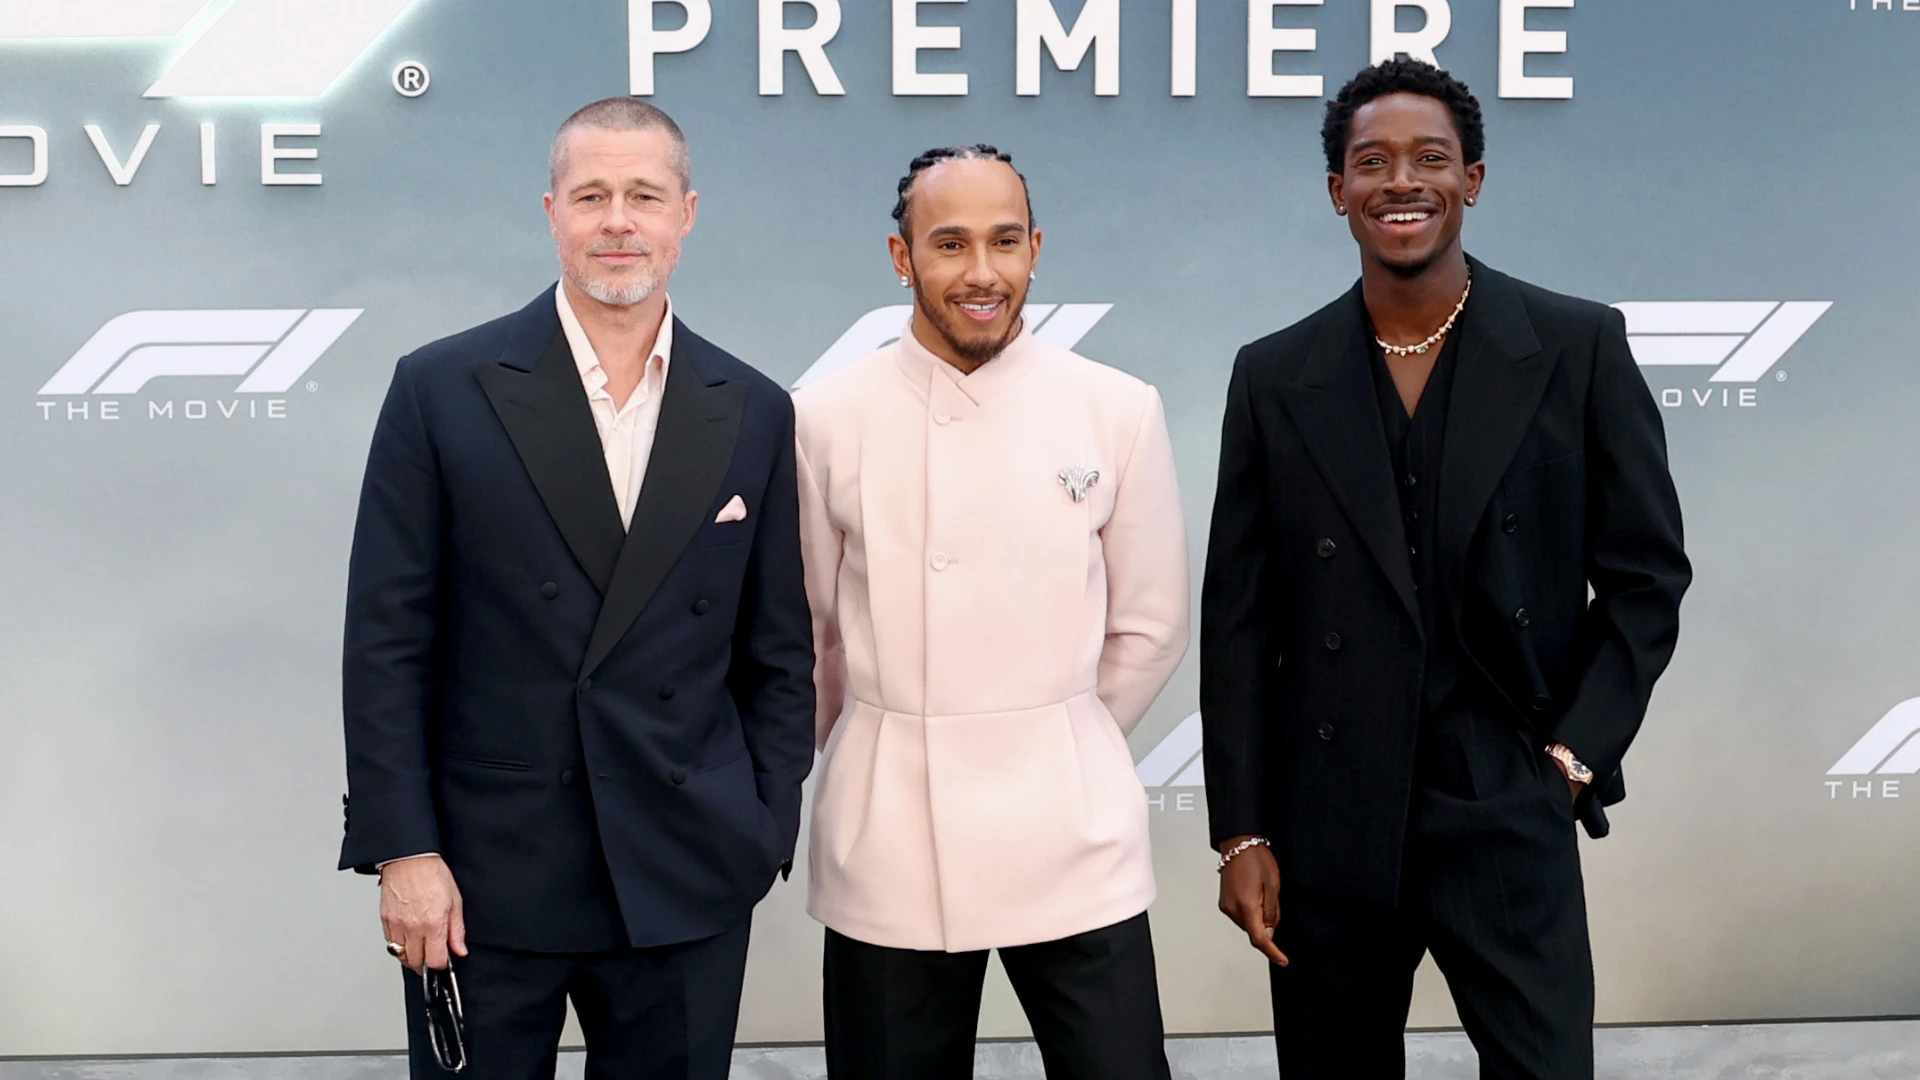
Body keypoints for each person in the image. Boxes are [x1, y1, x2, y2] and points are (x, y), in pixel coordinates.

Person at [1200, 60, 1691, 1079]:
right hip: (1328, 819)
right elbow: (1241, 623)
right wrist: (1242, 831)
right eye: (1369, 162)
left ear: (1474, 177)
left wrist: (1569, 760)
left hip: (1506, 801)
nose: (1400, 182)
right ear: (1338, 190)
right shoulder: (1273, 374)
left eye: (1430, 158)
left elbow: (1647, 579)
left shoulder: (1574, 345)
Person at [337, 97, 814, 1080]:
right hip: (481, 880)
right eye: (592, 194)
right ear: (551, 210)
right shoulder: (441, 388)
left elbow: (777, 654)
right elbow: (387, 642)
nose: (617, 221)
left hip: (684, 873)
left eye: (644, 194)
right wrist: (404, 852)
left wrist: (761, 828)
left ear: (688, 213)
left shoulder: (754, 409)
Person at [794, 145, 1189, 1080]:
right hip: (890, 832)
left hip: (1072, 830)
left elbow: (1151, 624)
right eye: (950, 244)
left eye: (1005, 242)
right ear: (902, 259)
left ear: (1036, 249)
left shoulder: (1116, 409)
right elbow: (810, 635)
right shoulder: (824, 417)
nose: (982, 273)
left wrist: (1054, 733)